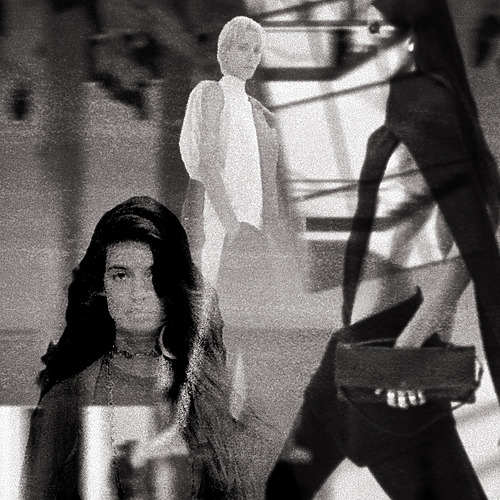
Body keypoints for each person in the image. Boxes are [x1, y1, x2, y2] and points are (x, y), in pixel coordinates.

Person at [267, 1, 500, 498]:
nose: (365, 33)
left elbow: (474, 240)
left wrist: (413, 346)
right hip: (349, 354)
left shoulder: (429, 108)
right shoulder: (402, 104)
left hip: (385, 361)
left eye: (378, 24)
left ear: (411, 33)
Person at [21, 196, 254, 499]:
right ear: (102, 286)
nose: (138, 293)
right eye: (121, 275)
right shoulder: (67, 400)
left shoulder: (211, 393)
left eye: (154, 275)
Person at [179, 15, 281, 286]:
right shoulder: (213, 93)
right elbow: (207, 166)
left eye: (256, 50)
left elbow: (265, 178)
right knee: (216, 297)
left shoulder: (254, 108)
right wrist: (233, 228)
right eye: (243, 48)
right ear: (224, 51)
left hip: (254, 230)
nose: (251, 57)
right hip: (224, 227)